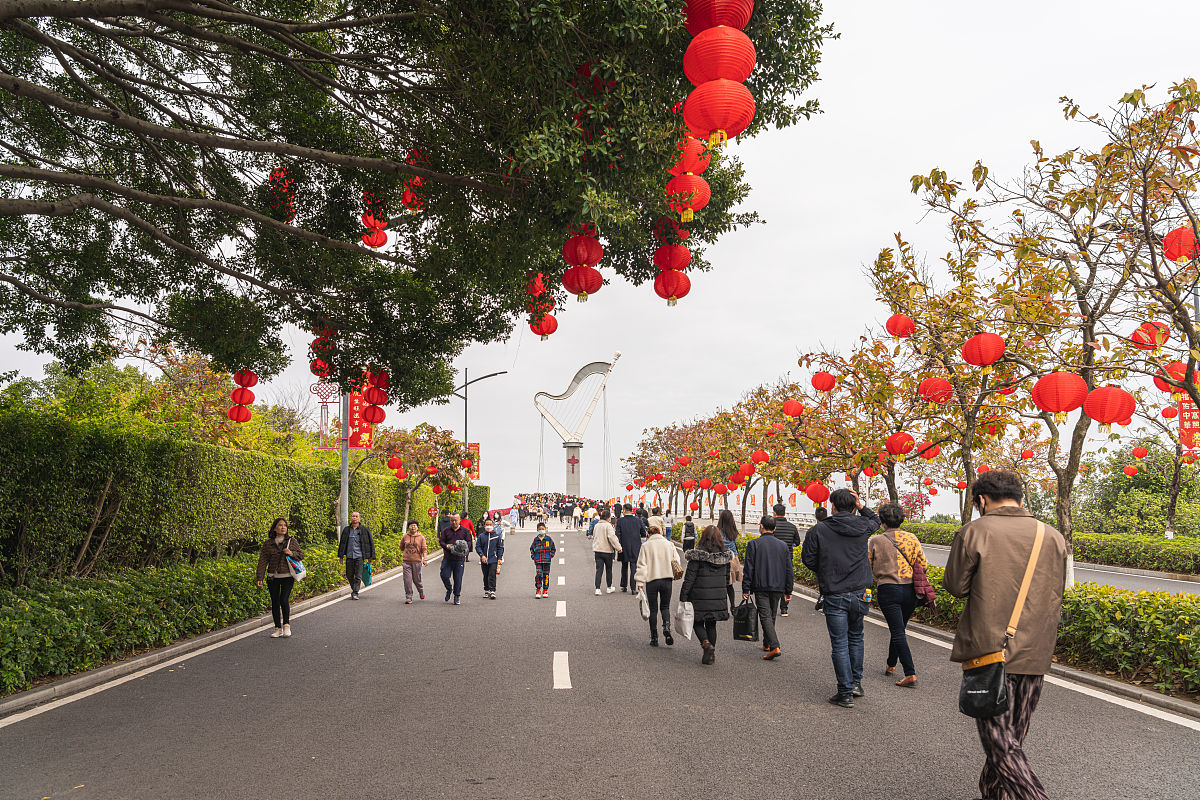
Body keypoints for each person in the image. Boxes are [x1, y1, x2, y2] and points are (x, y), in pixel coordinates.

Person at [944, 470, 1067, 800]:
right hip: (1035, 653)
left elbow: (955, 586)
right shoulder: (1052, 536)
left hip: (989, 651)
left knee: (999, 742)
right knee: (1010, 739)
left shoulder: (975, 531)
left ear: (982, 500)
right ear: (1020, 496)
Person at [801, 489, 880, 708]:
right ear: (854, 507)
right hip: (859, 592)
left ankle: (845, 692)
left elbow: (807, 558)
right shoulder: (863, 526)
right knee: (856, 637)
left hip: (835, 592)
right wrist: (861, 505)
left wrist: (826, 570)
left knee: (840, 643)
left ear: (832, 506)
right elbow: (876, 519)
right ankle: (856, 683)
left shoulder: (819, 529)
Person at [868, 502, 929, 686]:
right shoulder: (912, 538)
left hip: (888, 589)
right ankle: (891, 664)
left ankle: (910, 672)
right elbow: (923, 564)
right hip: (910, 590)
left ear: (882, 521)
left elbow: (868, 567)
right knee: (899, 628)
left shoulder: (875, 541)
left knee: (897, 631)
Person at [678, 525, 732, 665]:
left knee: (696, 621)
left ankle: (706, 643)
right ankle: (711, 653)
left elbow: (689, 578)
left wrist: (683, 596)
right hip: (718, 596)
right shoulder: (725, 556)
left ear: (703, 537)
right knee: (711, 624)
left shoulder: (697, 555)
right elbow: (727, 579)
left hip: (699, 595)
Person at [741, 516, 793, 660]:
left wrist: (746, 589)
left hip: (761, 585)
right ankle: (767, 643)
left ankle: (775, 646)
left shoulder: (754, 544)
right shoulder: (783, 545)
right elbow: (789, 569)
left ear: (761, 526)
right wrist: (789, 590)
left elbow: (749, 569)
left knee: (765, 615)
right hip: (778, 586)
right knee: (771, 614)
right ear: (774, 528)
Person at [634, 523, 681, 647]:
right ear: (660, 533)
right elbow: (676, 561)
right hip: (667, 579)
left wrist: (639, 583)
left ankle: (654, 637)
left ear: (649, 534)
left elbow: (642, 566)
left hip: (652, 580)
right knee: (665, 607)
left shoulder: (646, 546)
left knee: (653, 609)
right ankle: (666, 627)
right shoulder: (669, 544)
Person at [256, 518, 303, 637]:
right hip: (272, 576)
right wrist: (259, 577)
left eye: (285, 526)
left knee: (283, 599)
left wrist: (291, 553)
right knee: (275, 602)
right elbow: (263, 561)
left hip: (287, 576)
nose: (283, 527)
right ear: (275, 528)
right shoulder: (268, 543)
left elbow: (301, 555)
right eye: (280, 525)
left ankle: (286, 626)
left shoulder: (291, 541)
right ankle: (277, 628)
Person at [770, 503, 801, 616]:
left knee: (773, 581)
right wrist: (789, 545)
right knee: (785, 582)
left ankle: (772, 607)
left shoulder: (772, 526)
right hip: (787, 558)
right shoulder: (792, 527)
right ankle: (784, 609)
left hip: (773, 559)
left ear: (774, 513)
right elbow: (797, 542)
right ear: (784, 513)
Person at [337, 511, 375, 600]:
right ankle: (354, 588)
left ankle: (355, 592)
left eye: (356, 516)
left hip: (359, 556)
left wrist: (371, 556)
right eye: (353, 516)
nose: (354, 518)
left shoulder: (365, 530)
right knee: (349, 575)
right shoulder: (346, 530)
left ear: (359, 519)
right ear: (351, 518)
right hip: (349, 556)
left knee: (358, 575)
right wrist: (341, 556)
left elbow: (370, 543)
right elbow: (342, 544)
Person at [438, 513, 472, 605]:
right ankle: (449, 589)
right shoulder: (446, 531)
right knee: (444, 575)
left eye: (456, 520)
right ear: (450, 521)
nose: (454, 522)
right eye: (452, 520)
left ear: (459, 520)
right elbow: (441, 541)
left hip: (459, 559)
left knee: (458, 578)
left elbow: (469, 541)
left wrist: (464, 546)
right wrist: (446, 546)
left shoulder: (464, 531)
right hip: (448, 558)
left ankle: (457, 596)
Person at [615, 503, 647, 592]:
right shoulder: (638, 520)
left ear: (624, 510)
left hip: (623, 546)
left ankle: (624, 586)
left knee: (624, 566)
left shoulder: (620, 521)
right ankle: (633, 588)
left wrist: (618, 546)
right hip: (635, 546)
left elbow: (617, 534)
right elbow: (643, 533)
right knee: (634, 566)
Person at [591, 508, 622, 594]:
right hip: (607, 551)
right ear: (608, 518)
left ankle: (597, 588)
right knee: (609, 569)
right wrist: (619, 548)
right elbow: (612, 538)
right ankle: (609, 587)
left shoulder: (596, 525)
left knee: (599, 570)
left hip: (597, 550)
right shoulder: (608, 526)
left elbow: (594, 536)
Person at [717, 509, 740, 612]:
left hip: (721, 560)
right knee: (730, 586)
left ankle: (723, 608)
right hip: (733, 559)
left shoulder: (717, 531)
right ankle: (733, 606)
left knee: (721, 585)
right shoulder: (734, 531)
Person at [475, 517, 504, 599]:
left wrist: (499, 558)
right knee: (486, 575)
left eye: (490, 525)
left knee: (492, 574)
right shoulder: (481, 536)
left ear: (493, 525)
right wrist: (482, 555)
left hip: (493, 559)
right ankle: (486, 589)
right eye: (487, 525)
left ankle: (492, 590)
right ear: (484, 526)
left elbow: (500, 548)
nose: (488, 526)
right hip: (484, 560)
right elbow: (478, 547)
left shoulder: (497, 536)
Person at [401, 520, 428, 604]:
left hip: (417, 562)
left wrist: (425, 559)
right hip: (406, 562)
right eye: (411, 525)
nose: (413, 527)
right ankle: (409, 597)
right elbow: (401, 546)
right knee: (407, 580)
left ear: (417, 527)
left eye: (415, 525)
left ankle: (421, 590)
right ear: (408, 527)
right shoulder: (405, 536)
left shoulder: (421, 537)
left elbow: (424, 549)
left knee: (417, 580)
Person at [530, 523, 557, 598]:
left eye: (543, 529)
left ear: (545, 529)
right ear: (537, 530)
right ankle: (538, 589)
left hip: (547, 561)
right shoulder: (536, 540)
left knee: (546, 575)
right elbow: (532, 549)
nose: (541, 530)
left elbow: (553, 549)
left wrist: (551, 555)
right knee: (539, 574)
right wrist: (533, 557)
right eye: (540, 529)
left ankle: (545, 589)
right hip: (538, 561)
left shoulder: (548, 539)